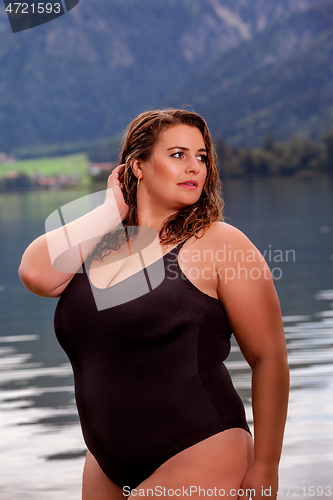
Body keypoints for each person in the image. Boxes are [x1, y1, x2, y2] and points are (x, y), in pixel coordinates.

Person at [19, 108, 289, 500]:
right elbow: (35, 274)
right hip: (105, 464)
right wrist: (114, 208)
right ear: (138, 166)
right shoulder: (100, 245)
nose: (194, 167)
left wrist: (266, 468)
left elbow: (270, 357)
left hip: (202, 450)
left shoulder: (221, 243)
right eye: (178, 155)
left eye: (201, 157)